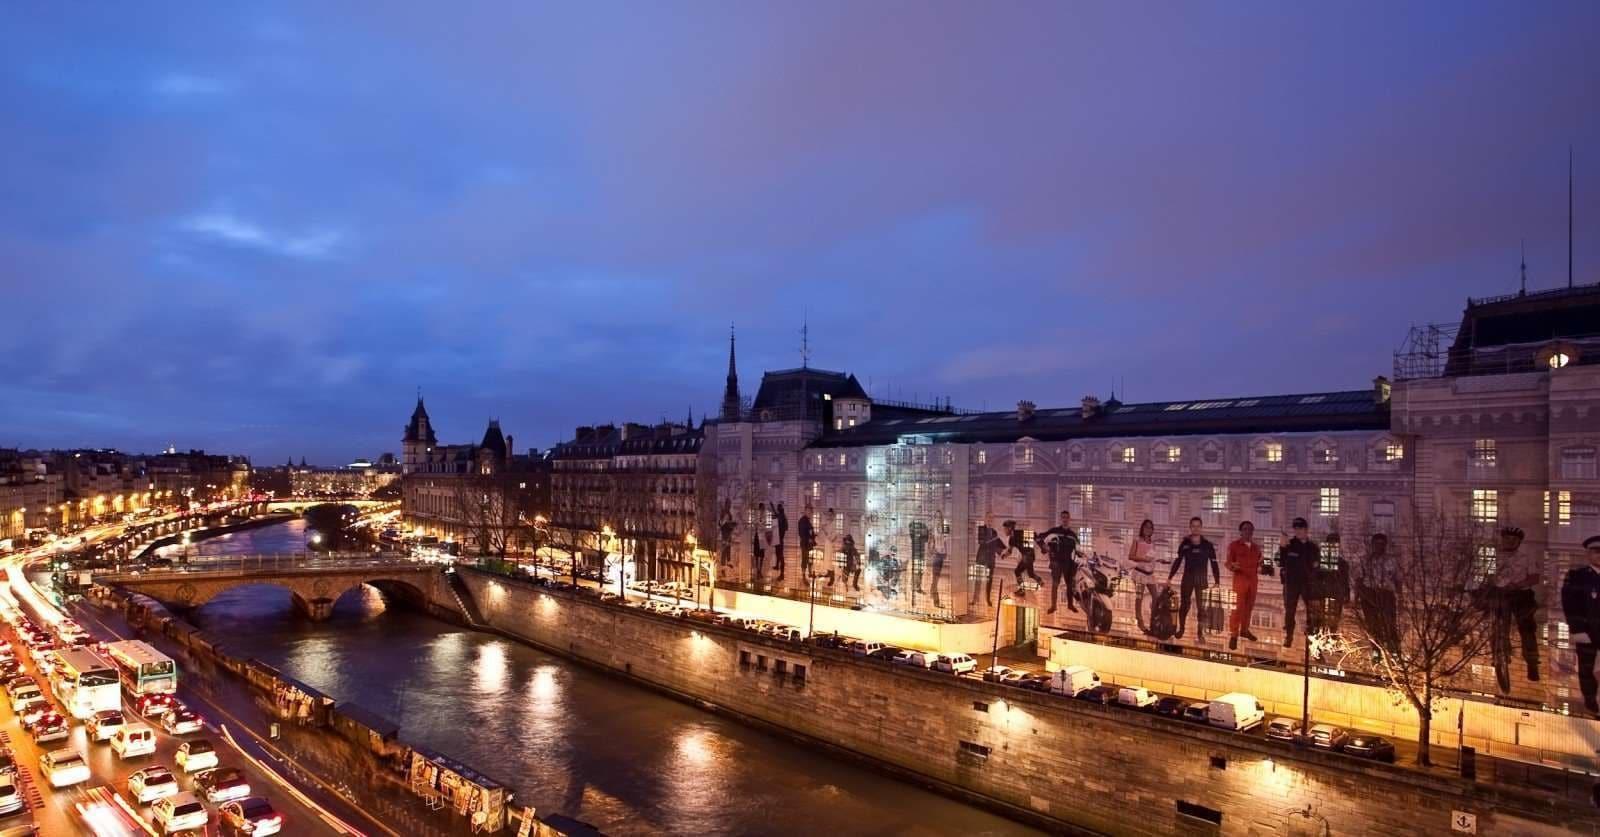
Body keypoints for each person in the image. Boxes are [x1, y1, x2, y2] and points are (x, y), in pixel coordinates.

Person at [1489, 526, 1541, 683]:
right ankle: (1499, 658)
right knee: (1496, 629)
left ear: (1519, 542)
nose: (1509, 542)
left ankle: (1532, 664)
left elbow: (1534, 578)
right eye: (1506, 538)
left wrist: (1517, 585)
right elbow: (1490, 576)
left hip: (1521, 596)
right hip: (1500, 595)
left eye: (1513, 540)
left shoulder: (1527, 557)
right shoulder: (1495, 556)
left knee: (1527, 630)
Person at [1560, 535, 1600, 715]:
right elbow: (1569, 605)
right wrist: (1577, 630)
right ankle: (1590, 699)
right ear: (1588, 554)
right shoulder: (1576, 576)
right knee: (1586, 667)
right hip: (1587, 632)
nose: (1599, 555)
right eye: (1596, 552)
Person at [1167, 517, 1220, 640]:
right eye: (1193, 526)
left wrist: (1217, 581)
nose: (1195, 528)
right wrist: (1170, 577)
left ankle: (1200, 633)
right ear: (1190, 528)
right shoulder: (1185, 544)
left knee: (1202, 608)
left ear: (1201, 528)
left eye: (1198, 526)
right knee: (1185, 605)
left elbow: (1214, 563)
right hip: (1188, 578)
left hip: (1201, 579)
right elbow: (1178, 561)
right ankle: (1181, 629)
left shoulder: (1208, 545)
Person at [1278, 517, 1320, 647]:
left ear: (1306, 530)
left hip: (1308, 583)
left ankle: (1312, 636)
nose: (1298, 531)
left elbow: (1317, 565)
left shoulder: (1313, 547)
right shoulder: (1289, 545)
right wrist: (1282, 547)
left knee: (1311, 611)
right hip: (1291, 583)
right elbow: (1281, 562)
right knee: (1290, 610)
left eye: (1300, 529)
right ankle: (1288, 636)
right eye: (1296, 529)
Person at [1356, 532, 1397, 649]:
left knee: (1390, 624)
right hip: (1369, 594)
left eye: (1382, 544)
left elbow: (1397, 579)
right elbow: (1359, 579)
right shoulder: (1364, 560)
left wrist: (1401, 597)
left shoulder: (1391, 561)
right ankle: (1376, 651)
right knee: (1373, 625)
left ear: (1385, 545)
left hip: (1386, 594)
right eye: (1376, 544)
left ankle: (1393, 650)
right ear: (1372, 545)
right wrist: (1356, 598)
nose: (1379, 546)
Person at [1036, 511, 1082, 615]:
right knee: (1055, 585)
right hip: (1056, 563)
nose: (1065, 519)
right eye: (1063, 517)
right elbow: (1038, 537)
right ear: (1061, 519)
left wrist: (1080, 558)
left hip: (1068, 564)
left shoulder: (1073, 535)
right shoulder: (1054, 531)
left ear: (1069, 519)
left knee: (1069, 585)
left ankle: (1070, 605)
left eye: (1067, 517)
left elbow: (1079, 550)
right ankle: (1053, 606)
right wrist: (1044, 547)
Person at [1226, 521, 1263, 650]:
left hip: (1253, 580)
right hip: (1240, 580)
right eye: (1245, 529)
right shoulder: (1234, 546)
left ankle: (1245, 630)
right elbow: (1228, 562)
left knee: (1248, 607)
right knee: (1237, 608)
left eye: (1250, 530)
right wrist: (1232, 566)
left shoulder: (1256, 548)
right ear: (1240, 531)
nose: (1248, 532)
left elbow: (1260, 563)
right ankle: (1234, 635)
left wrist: (1265, 568)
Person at [1308, 533, 1350, 637]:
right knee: (1318, 622)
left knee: (1333, 621)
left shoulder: (1342, 563)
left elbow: (1345, 580)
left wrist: (1346, 593)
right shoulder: (1318, 560)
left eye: (1335, 543)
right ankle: (1320, 638)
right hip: (1321, 594)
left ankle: (1331, 637)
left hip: (1335, 595)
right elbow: (1312, 577)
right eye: (1331, 542)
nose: (1333, 545)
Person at [1127, 519, 1162, 635]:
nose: (1148, 529)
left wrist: (1159, 560)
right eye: (1146, 527)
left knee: (1156, 597)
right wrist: (1144, 559)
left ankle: (1153, 621)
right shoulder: (1137, 540)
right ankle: (1140, 622)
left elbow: (1152, 557)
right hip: (1139, 574)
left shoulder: (1152, 543)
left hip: (1150, 574)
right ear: (1142, 528)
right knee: (1139, 597)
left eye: (1150, 527)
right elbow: (1131, 556)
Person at [1003, 520, 1042, 594]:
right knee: (1028, 573)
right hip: (1025, 556)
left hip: (1029, 555)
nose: (1004, 531)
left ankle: (1023, 589)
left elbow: (1034, 534)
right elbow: (1010, 551)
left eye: (1005, 529)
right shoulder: (1011, 539)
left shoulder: (1020, 533)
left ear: (1010, 528)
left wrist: (1042, 546)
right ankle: (1039, 582)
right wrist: (1004, 555)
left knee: (1020, 571)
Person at [971, 520, 1001, 605]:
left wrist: (1001, 552)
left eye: (992, 518)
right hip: (982, 557)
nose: (990, 521)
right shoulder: (982, 529)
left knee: (989, 580)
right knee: (978, 579)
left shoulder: (994, 532)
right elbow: (981, 542)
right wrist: (991, 539)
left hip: (991, 558)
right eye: (988, 518)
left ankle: (987, 599)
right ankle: (975, 598)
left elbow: (996, 545)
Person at [927, 522, 949, 608]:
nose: (938, 519)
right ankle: (936, 602)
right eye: (937, 518)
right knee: (935, 578)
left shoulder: (943, 530)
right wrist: (933, 552)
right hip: (936, 556)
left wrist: (945, 553)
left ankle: (932, 594)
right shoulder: (933, 531)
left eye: (940, 518)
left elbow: (945, 543)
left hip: (941, 556)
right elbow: (929, 544)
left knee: (936, 578)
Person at [797, 505, 816, 578]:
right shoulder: (802, 520)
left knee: (810, 559)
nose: (809, 513)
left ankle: (810, 573)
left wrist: (813, 537)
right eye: (808, 511)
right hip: (805, 544)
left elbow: (811, 532)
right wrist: (809, 538)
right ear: (805, 511)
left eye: (810, 512)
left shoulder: (808, 520)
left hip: (809, 544)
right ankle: (803, 576)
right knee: (804, 559)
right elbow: (802, 533)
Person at [718, 498, 736, 568]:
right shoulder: (723, 512)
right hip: (724, 533)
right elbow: (720, 523)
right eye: (728, 504)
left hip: (729, 532)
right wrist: (725, 521)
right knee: (724, 549)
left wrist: (732, 525)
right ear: (726, 504)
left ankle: (728, 561)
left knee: (728, 547)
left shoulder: (729, 513)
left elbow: (730, 523)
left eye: (730, 504)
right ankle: (723, 565)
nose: (729, 506)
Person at [750, 506, 766, 582]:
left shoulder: (765, 517)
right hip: (757, 537)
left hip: (762, 537)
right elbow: (753, 526)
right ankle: (757, 570)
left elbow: (767, 527)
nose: (762, 511)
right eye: (761, 510)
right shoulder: (756, 517)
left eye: (763, 510)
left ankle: (760, 570)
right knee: (756, 554)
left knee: (762, 555)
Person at [774, 502, 789, 579]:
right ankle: (777, 566)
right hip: (778, 537)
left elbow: (785, 527)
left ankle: (782, 574)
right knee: (778, 553)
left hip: (780, 538)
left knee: (780, 556)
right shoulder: (781, 516)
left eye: (778, 508)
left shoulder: (781, 516)